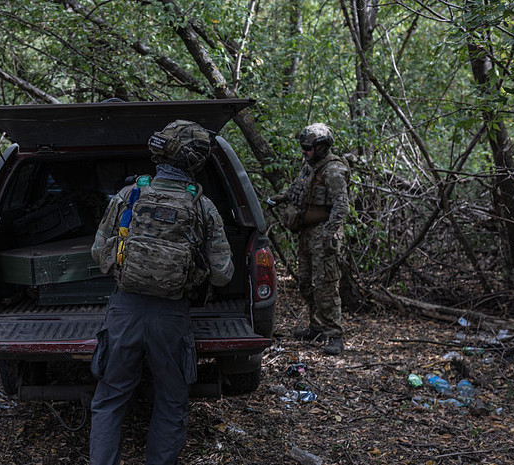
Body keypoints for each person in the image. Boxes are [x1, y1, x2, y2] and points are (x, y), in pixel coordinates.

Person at [89, 120, 234, 465]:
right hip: (171, 316)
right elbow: (223, 274)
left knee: (110, 398)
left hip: (125, 311)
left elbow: (98, 252)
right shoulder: (203, 207)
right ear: (196, 161)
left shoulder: (130, 195)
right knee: (170, 401)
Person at [270, 123, 350, 355]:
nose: (304, 151)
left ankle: (335, 335)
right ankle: (316, 327)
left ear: (322, 147)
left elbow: (341, 205)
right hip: (306, 230)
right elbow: (298, 188)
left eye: (308, 147)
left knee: (325, 284)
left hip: (323, 230)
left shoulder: (333, 170)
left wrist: (330, 233)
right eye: (303, 147)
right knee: (304, 281)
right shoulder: (309, 166)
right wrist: (282, 197)